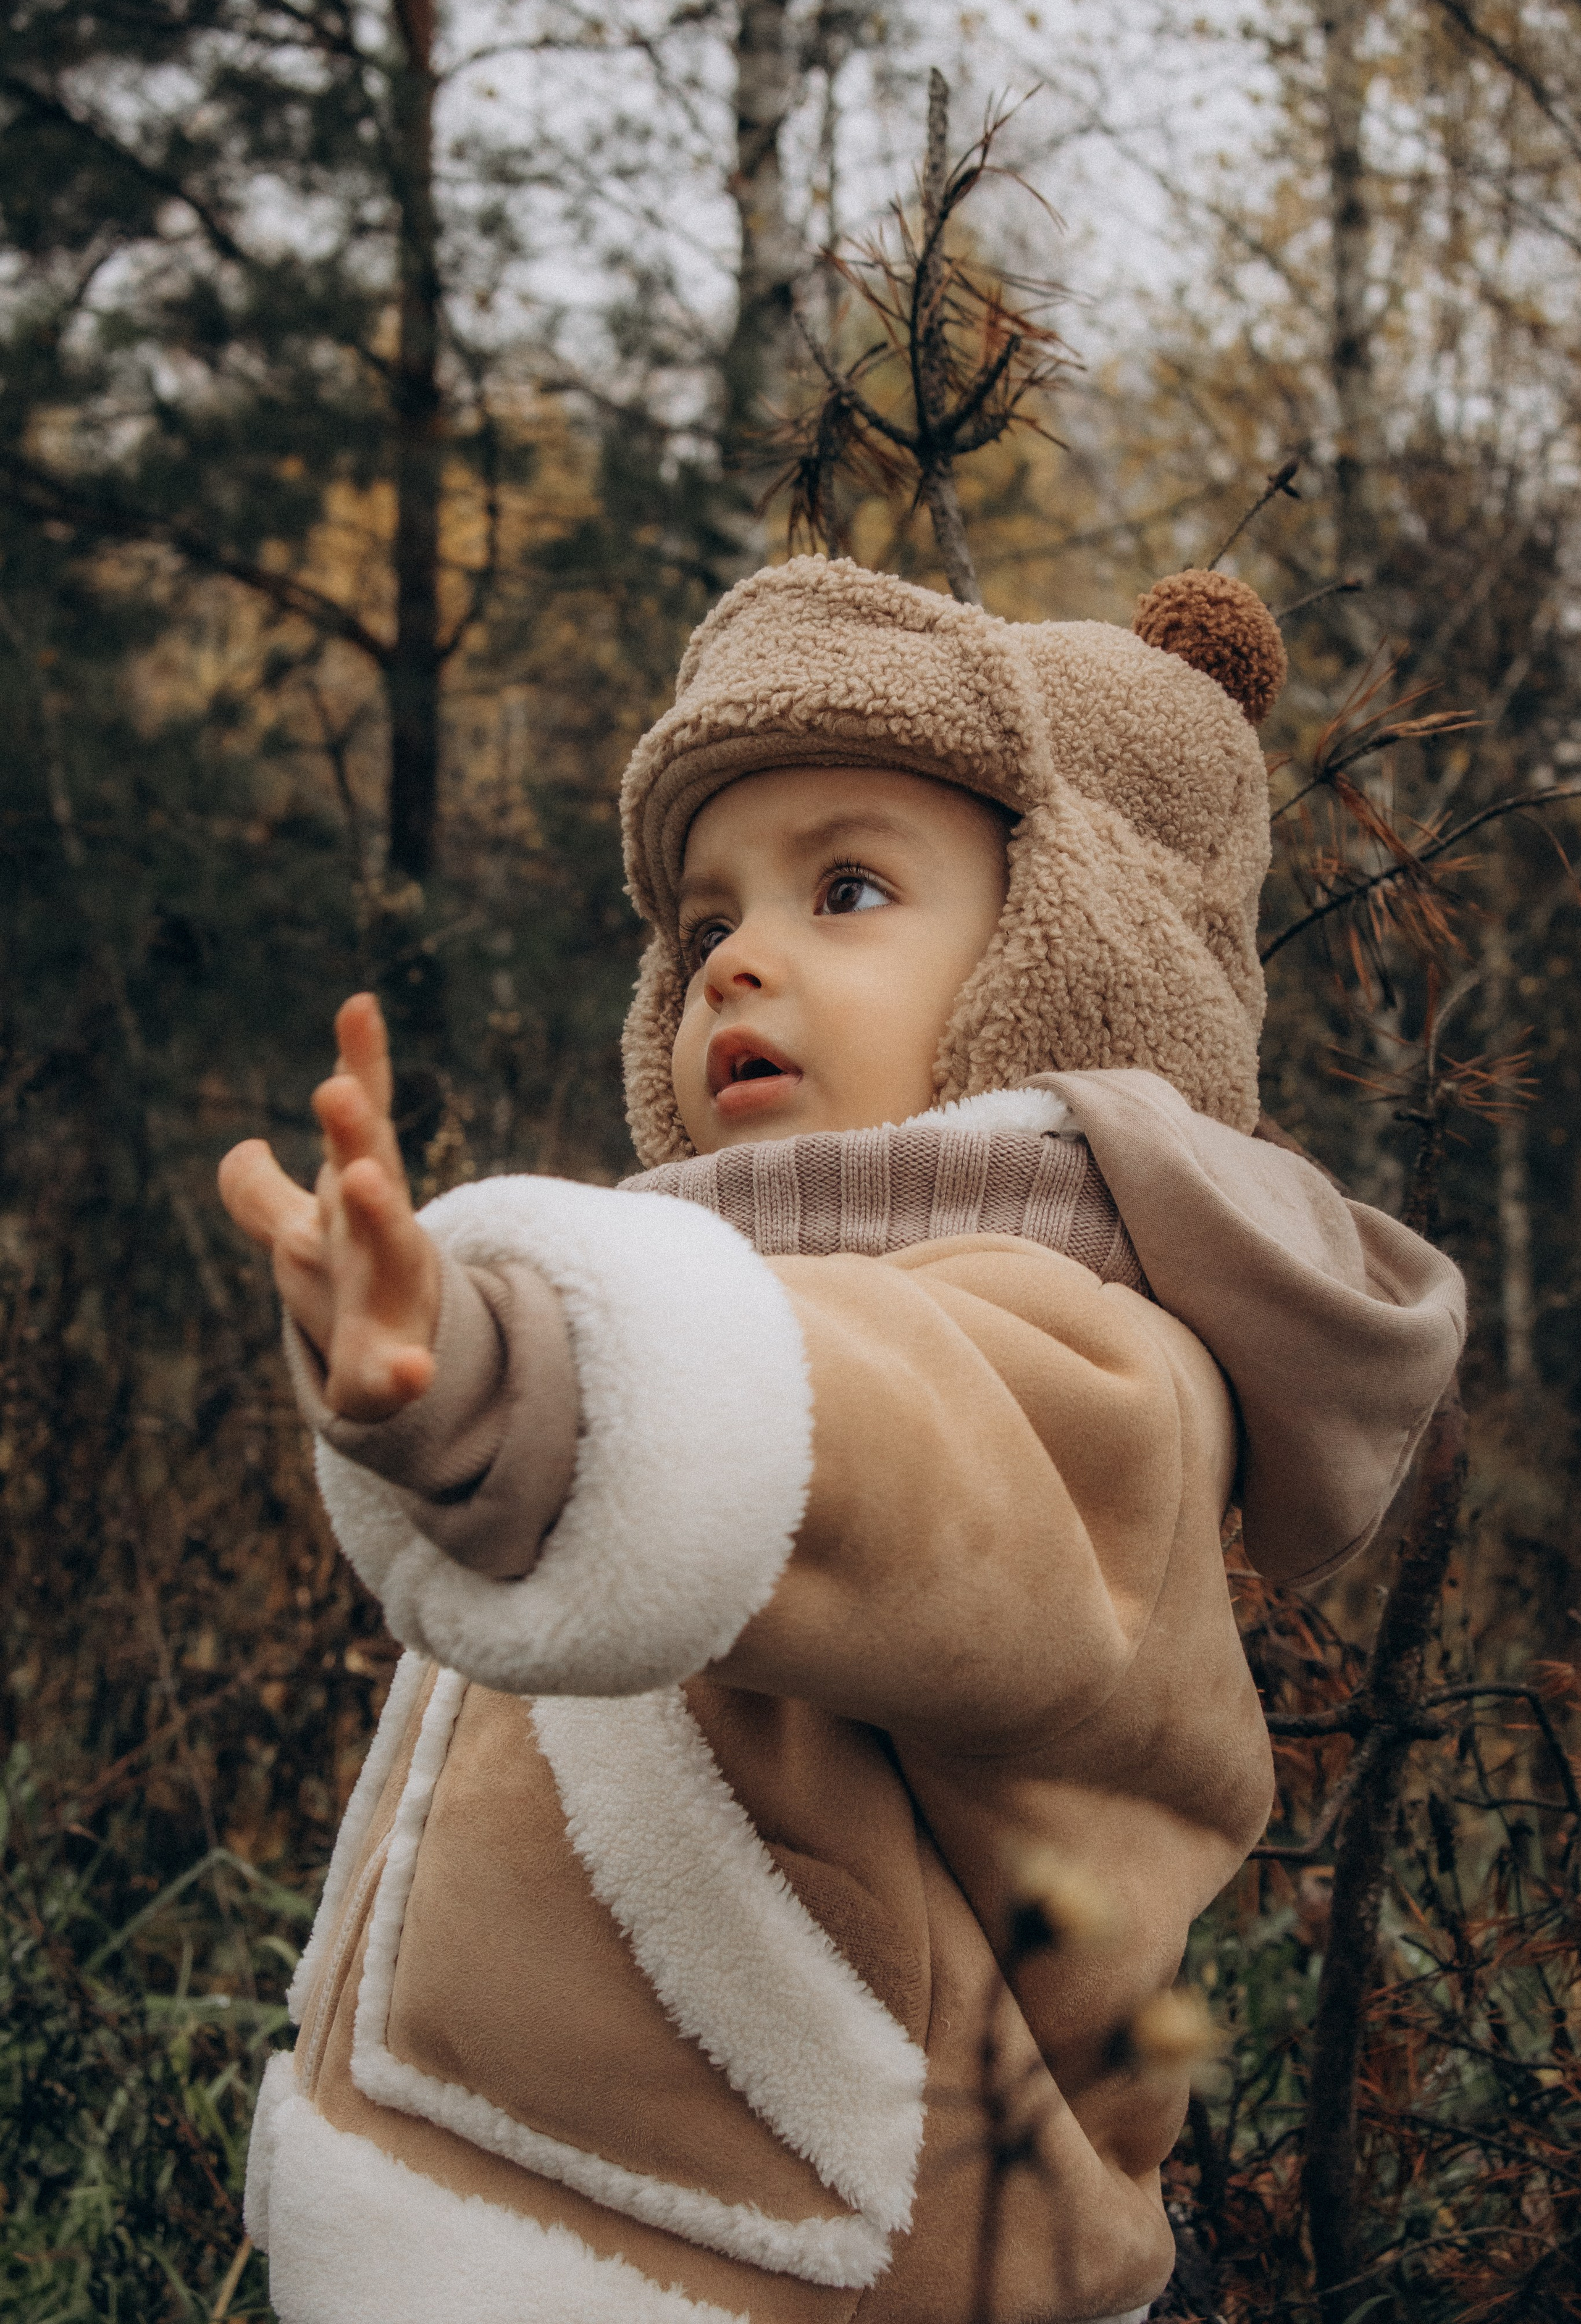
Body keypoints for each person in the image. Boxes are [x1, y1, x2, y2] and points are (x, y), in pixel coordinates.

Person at [222, 557, 1465, 2324]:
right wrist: (421, 1377)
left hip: (804, 2267)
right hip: (550, 2223)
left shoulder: (1093, 1360)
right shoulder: (717, 1301)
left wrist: (524, 1371)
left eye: (849, 886)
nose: (738, 954)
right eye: (708, 914)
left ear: (1068, 953)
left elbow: (890, 1431)